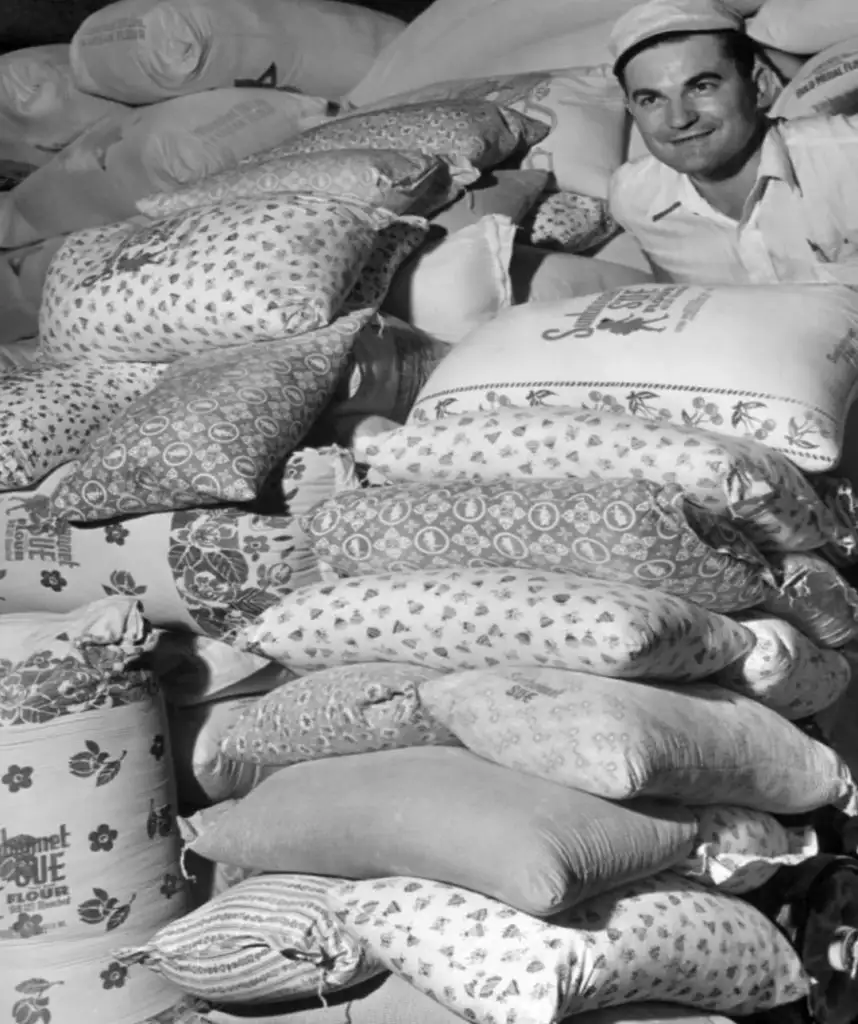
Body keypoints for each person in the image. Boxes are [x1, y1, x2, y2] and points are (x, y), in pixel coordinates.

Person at [607, 0, 858, 285]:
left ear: (760, 87)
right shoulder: (635, 198)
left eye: (702, 87)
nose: (678, 119)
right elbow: (681, 302)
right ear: (631, 110)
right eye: (651, 100)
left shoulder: (847, 156)